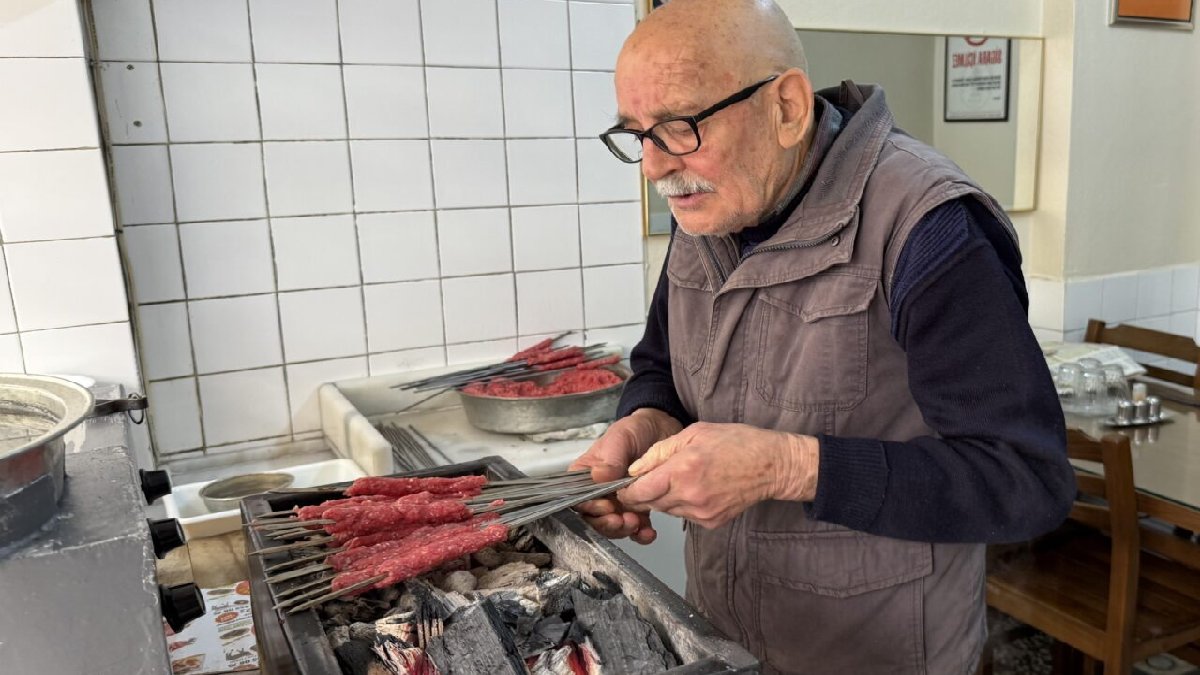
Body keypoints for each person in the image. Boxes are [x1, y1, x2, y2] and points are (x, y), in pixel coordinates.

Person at [569, 0, 1076, 672]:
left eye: (681, 127)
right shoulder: (708, 209)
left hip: (884, 654)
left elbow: (1025, 479)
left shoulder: (927, 227)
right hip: (723, 643)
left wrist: (788, 465)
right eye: (637, 135)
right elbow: (660, 366)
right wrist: (642, 424)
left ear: (786, 106)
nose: (655, 167)